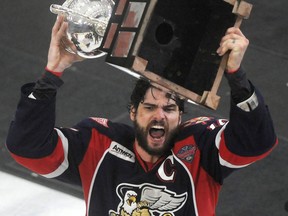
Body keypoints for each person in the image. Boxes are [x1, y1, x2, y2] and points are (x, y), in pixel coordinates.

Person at [6, 16, 277, 216]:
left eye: (169, 109)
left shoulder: (200, 148)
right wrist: (51, 74)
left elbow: (256, 141)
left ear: (180, 117)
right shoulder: (98, 145)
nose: (159, 115)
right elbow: (28, 148)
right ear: (133, 112)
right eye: (149, 107)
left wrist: (237, 76)